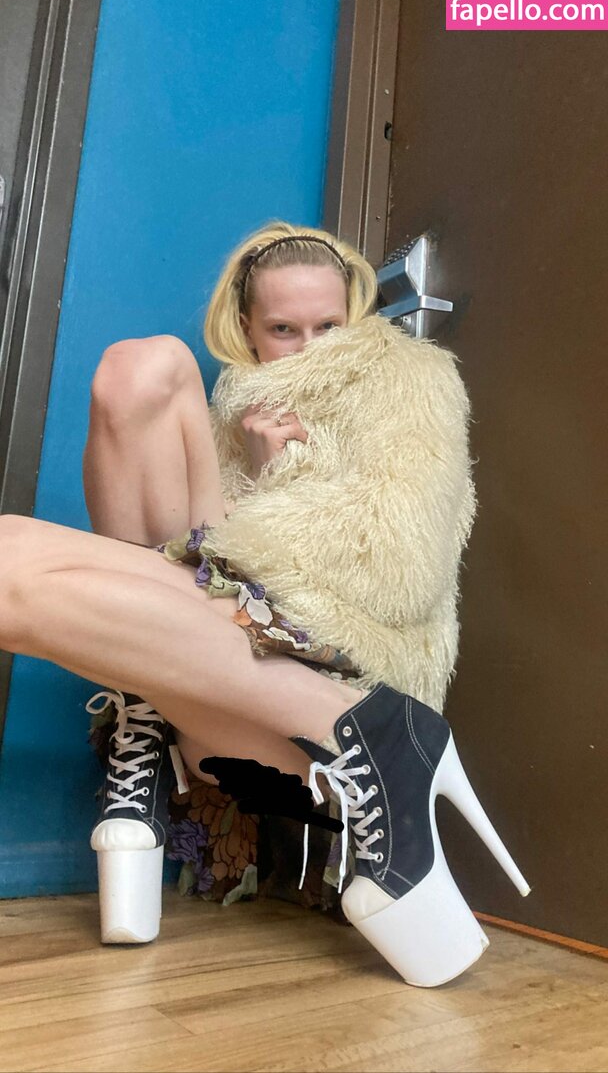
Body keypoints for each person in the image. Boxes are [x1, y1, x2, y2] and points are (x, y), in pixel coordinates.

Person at [0, 220, 529, 987]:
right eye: (284, 330)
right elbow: (213, 560)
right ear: (246, 328)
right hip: (227, 669)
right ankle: (151, 709)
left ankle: (353, 728)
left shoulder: (410, 384)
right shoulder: (232, 409)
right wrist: (253, 469)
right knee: (139, 368)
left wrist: (274, 483)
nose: (308, 347)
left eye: (328, 327)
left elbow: (395, 575)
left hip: (331, 672)